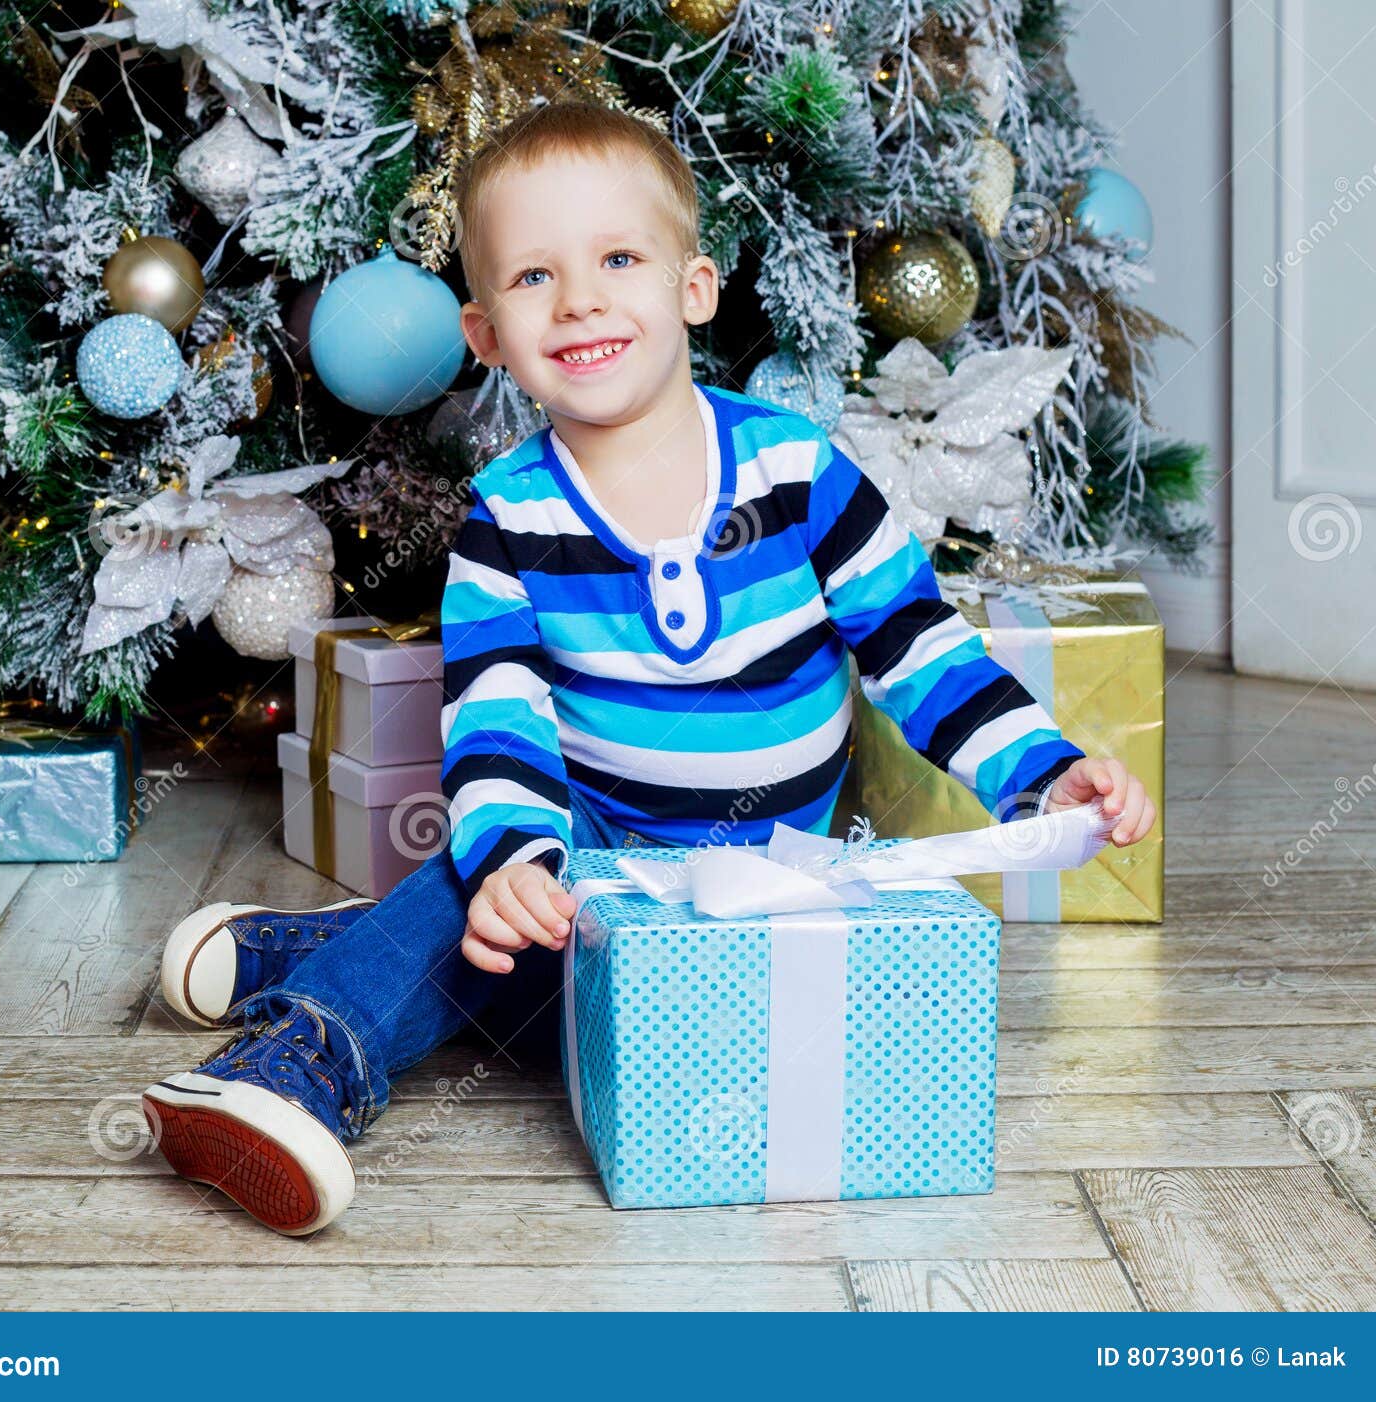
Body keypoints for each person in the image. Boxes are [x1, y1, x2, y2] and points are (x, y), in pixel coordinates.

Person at [140, 101, 1158, 1237]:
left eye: (618, 259)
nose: (578, 299)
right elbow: (498, 716)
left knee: (608, 1002)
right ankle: (292, 1062)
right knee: (501, 906)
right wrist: (520, 859)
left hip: (771, 878)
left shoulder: (796, 473)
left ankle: (307, 948)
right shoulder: (509, 519)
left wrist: (1042, 773)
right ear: (483, 336)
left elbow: (919, 649)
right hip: (599, 854)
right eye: (533, 277)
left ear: (693, 289)